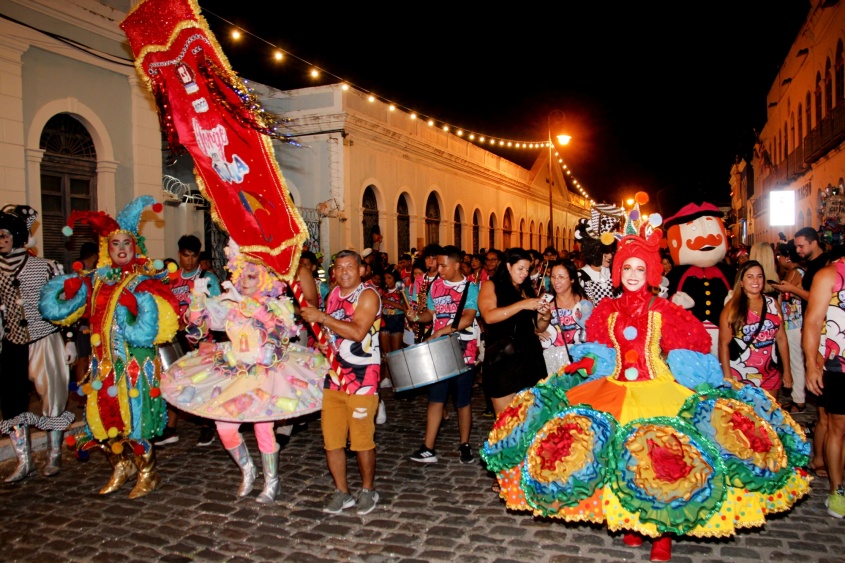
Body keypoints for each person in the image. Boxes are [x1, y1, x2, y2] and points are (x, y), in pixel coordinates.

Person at [482, 231, 812, 561]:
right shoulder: (607, 309)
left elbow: (691, 345)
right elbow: (603, 352)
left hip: (658, 388)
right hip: (615, 388)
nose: (633, 275)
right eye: (627, 269)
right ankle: (633, 521)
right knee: (625, 456)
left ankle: (662, 534)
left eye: (640, 269)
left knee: (664, 458)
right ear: (619, 273)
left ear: (650, 273)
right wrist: (585, 364)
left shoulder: (664, 308)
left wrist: (683, 370)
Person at [159, 239, 328, 503]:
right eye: (243, 275)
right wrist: (198, 301)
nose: (246, 281)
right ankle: (248, 470)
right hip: (234, 370)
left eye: (253, 276)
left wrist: (254, 308)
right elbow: (198, 331)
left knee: (263, 427)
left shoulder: (275, 304)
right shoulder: (229, 304)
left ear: (264, 278)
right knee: (224, 426)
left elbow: (282, 332)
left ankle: (272, 481)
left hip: (265, 371)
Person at [39, 196, 179, 498]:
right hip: (102, 364)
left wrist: (136, 309)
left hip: (134, 364)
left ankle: (147, 472)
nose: (121, 249)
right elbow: (61, 310)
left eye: (126, 243)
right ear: (107, 248)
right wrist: (68, 291)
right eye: (115, 244)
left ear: (134, 246)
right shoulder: (97, 281)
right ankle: (121, 466)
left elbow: (154, 326)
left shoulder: (143, 280)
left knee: (138, 417)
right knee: (101, 419)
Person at [301, 250, 382, 515]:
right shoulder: (333, 294)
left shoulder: (368, 295)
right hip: (334, 377)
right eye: (339, 267)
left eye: (350, 266)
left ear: (361, 270)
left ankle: (368, 489)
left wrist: (322, 318)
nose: (344, 271)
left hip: (362, 380)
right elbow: (330, 332)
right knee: (332, 440)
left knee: (361, 440)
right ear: (333, 272)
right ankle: (342, 491)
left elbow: (358, 332)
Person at [0, 205, 75, 482]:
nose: (2, 240)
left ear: (18, 236)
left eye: (6, 235)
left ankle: (54, 454)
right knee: (12, 402)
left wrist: (69, 339)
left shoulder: (45, 266)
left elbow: (64, 305)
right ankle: (24, 460)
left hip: (44, 338)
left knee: (52, 396)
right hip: (13, 343)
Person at [408, 246, 480, 464]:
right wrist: (417, 317)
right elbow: (430, 314)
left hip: (463, 351)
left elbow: (467, 319)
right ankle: (428, 447)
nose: (438, 269)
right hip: (439, 350)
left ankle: (464, 444)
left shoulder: (470, 288)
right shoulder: (435, 286)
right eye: (437, 264)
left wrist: (440, 331)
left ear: (457, 264)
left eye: (443, 265)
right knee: (435, 399)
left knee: (462, 401)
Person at [154, 234, 222, 447]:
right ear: (179, 255)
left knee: (203, 383)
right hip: (175, 339)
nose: (190, 260)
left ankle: (207, 426)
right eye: (186, 255)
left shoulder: (207, 278)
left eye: (193, 256)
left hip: (203, 340)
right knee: (174, 381)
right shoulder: (171, 278)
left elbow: (218, 308)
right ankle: (171, 428)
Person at [477, 248, 550, 415]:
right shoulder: (491, 285)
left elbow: (538, 328)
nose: (525, 273)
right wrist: (522, 304)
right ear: (508, 266)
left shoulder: (527, 289)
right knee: (505, 419)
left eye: (527, 269)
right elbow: (488, 316)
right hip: (503, 356)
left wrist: (545, 316)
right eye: (520, 268)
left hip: (529, 356)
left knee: (530, 416)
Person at [803, 247, 845, 518]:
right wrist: (811, 363)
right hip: (839, 364)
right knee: (838, 427)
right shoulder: (830, 275)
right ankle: (837, 490)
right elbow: (813, 321)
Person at [718, 260, 791, 395]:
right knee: (746, 415)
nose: (755, 280)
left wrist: (787, 370)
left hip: (770, 373)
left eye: (759, 276)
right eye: (750, 276)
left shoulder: (772, 304)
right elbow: (723, 344)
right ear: (741, 282)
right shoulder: (732, 308)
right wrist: (728, 377)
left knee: (769, 414)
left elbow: (782, 339)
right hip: (741, 375)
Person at [538, 259, 592, 365]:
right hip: (552, 360)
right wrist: (539, 329)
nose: (556, 281)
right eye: (553, 276)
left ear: (572, 279)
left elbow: (593, 328)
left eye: (561, 277)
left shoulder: (583, 301)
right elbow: (537, 327)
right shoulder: (546, 300)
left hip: (579, 360)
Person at [775, 241, 806, 413]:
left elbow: (790, 292)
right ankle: (797, 397)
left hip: (794, 322)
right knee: (796, 359)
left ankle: (799, 400)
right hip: (793, 321)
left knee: (796, 360)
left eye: (780, 255)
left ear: (787, 257)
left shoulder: (796, 272)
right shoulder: (795, 271)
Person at [378, 268, 406, 391]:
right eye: (385, 278)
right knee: (386, 352)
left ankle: (398, 379)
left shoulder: (401, 290)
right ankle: (388, 378)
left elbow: (404, 307)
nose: (387, 280)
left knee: (396, 352)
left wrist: (387, 301)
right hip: (385, 319)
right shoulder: (382, 290)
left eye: (389, 278)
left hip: (397, 319)